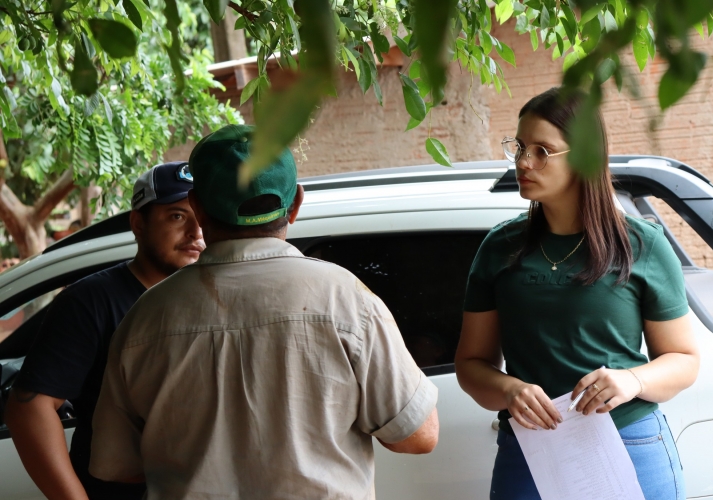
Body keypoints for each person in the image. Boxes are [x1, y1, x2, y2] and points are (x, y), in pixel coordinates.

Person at [88, 124, 439, 499]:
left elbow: (119, 467)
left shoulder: (144, 319)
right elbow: (417, 437)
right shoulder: (347, 300)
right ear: (297, 204)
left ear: (197, 207)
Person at [454, 87, 700, 500]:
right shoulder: (500, 247)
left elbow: (684, 361)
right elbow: (471, 364)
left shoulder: (642, 245)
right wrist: (510, 390)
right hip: (531, 449)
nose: (523, 162)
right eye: (519, 146)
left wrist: (631, 381)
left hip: (629, 444)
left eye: (542, 150)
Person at [6, 161, 205, 500]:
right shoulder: (91, 302)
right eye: (177, 216)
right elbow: (29, 408)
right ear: (138, 223)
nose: (195, 232)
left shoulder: (219, 292)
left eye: (203, 217)